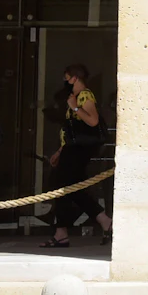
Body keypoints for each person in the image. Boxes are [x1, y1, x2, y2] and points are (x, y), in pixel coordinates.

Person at [42, 64, 113, 249]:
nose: (64, 81)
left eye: (66, 77)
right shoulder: (73, 98)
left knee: (63, 186)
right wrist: (60, 151)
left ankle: (62, 232)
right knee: (72, 188)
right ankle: (103, 220)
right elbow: (71, 131)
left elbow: (93, 120)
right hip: (71, 149)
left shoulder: (84, 96)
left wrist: (75, 108)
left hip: (79, 150)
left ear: (74, 78)